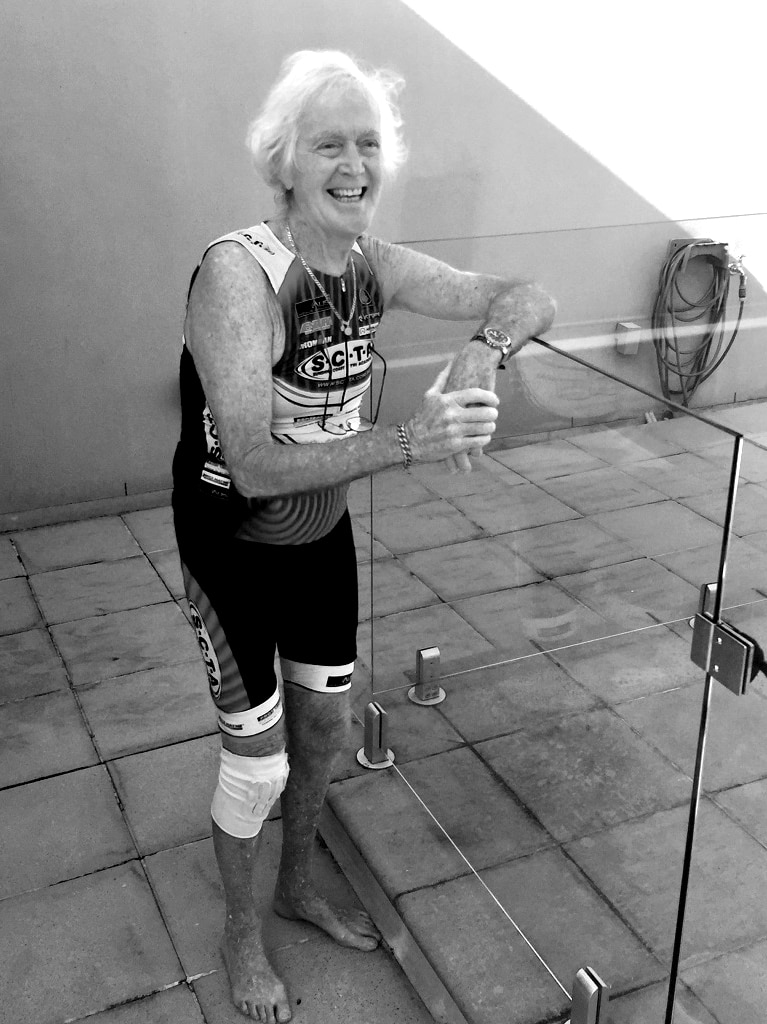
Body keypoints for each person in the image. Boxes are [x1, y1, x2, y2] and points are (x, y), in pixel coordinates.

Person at [172, 49, 556, 1023]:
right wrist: (408, 441)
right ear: (285, 164)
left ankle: (296, 885)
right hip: (232, 542)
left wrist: (480, 350)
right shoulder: (238, 276)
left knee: (324, 728)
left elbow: (525, 293)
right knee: (255, 758)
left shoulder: (375, 267)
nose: (354, 163)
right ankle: (239, 932)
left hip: (323, 535)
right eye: (329, 143)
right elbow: (253, 463)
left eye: (369, 144)